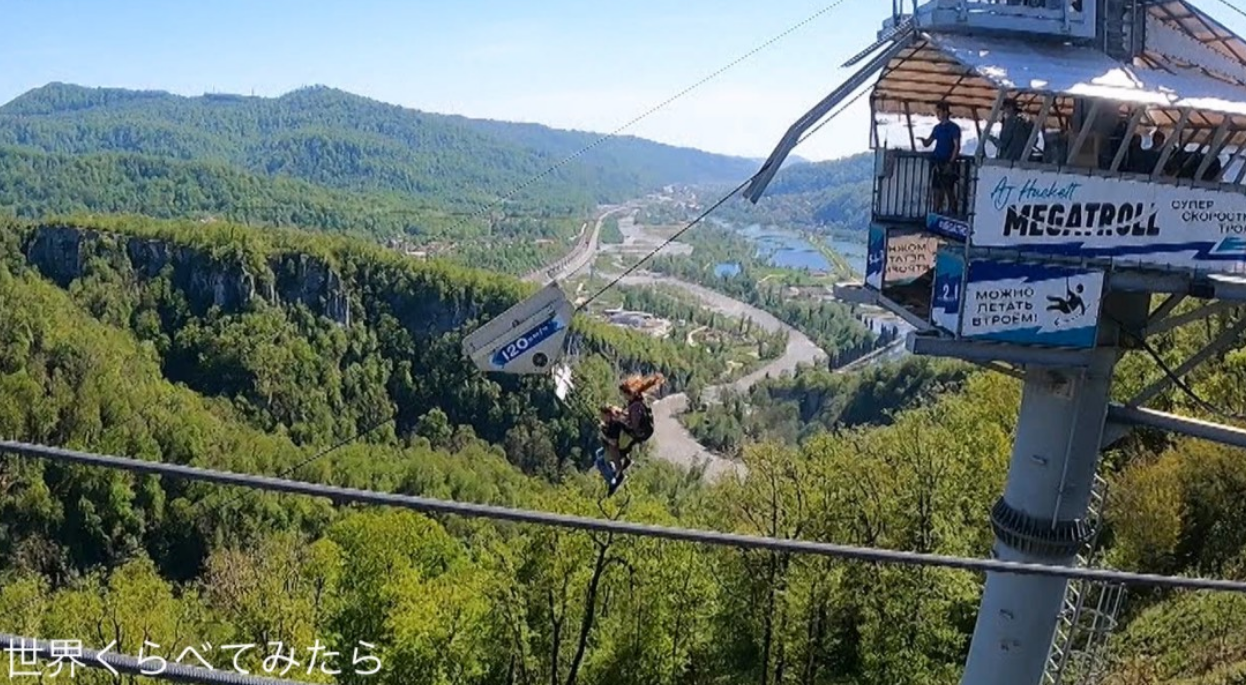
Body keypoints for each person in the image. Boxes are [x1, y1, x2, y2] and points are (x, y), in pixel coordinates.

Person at [597, 372, 664, 492]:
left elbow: (634, 425)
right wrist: (622, 415)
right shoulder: (636, 401)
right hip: (639, 432)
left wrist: (620, 419)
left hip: (638, 433)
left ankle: (617, 473)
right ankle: (619, 466)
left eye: (624, 395)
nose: (623, 398)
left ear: (628, 394)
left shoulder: (636, 407)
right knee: (602, 450)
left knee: (610, 448)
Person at [919, 101, 962, 215]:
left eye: (939, 111)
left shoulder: (954, 128)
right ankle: (936, 212)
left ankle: (953, 212)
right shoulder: (937, 128)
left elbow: (957, 146)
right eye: (937, 112)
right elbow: (928, 143)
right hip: (937, 161)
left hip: (947, 161)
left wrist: (951, 162)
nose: (938, 114)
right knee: (936, 190)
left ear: (945, 112)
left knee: (949, 190)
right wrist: (923, 141)